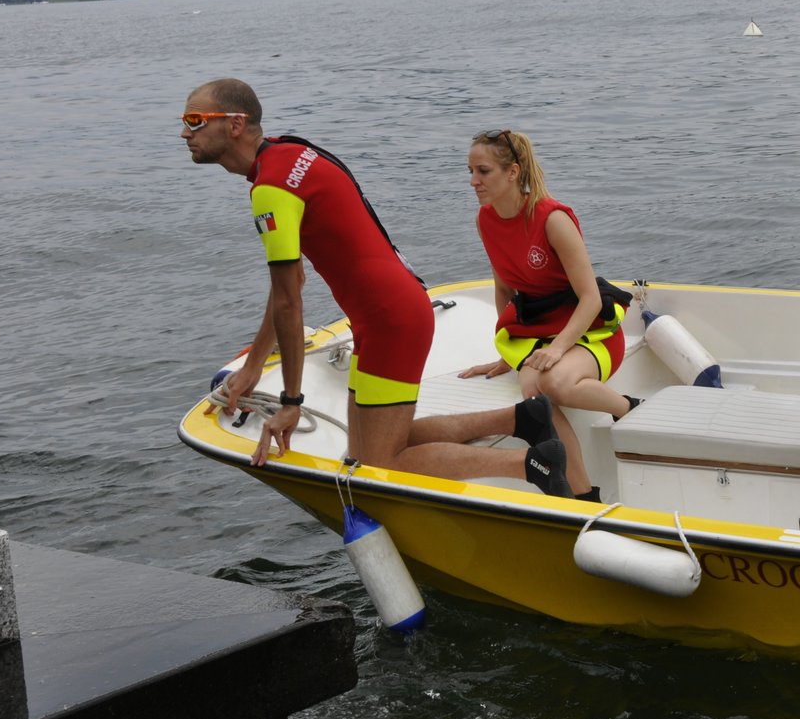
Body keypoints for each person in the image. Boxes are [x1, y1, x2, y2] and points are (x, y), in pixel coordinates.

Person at [181, 78, 571, 496]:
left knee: (383, 463)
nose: (185, 133)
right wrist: (254, 365)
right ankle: (521, 420)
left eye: (195, 120)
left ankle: (534, 464)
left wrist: (291, 402)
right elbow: (289, 285)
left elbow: (289, 302)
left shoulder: (271, 188)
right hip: (386, 312)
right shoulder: (290, 152)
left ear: (236, 124)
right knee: (361, 453)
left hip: (391, 321)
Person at [460, 129, 634, 502]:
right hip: (538, 330)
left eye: (483, 171)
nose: (474, 181)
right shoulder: (485, 220)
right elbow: (505, 289)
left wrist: (556, 349)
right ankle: (585, 495)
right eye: (470, 171)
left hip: (589, 328)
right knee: (537, 397)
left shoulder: (552, 219)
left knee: (555, 383)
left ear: (513, 172)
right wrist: (510, 354)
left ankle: (628, 408)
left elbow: (589, 297)